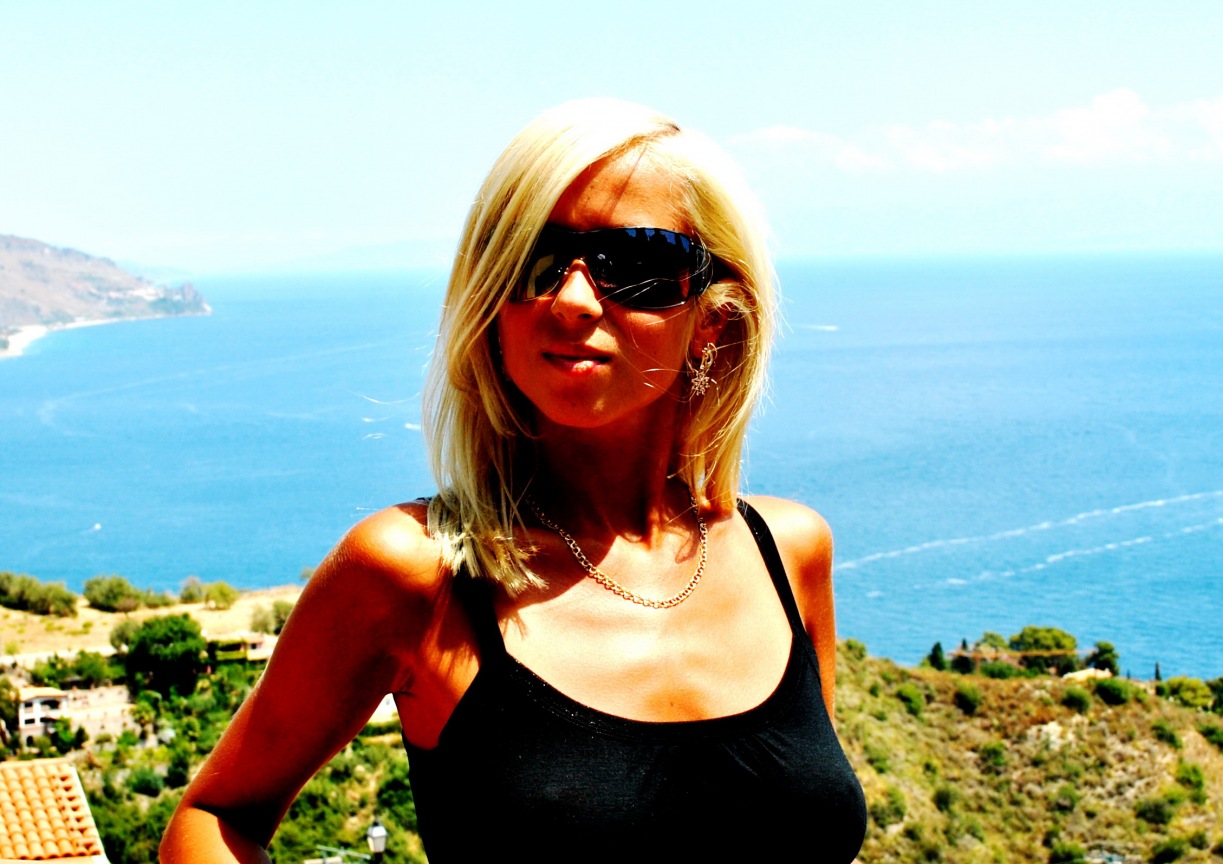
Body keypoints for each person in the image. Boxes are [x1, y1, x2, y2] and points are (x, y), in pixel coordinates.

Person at [161, 98, 866, 863]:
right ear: (490, 302)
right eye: (532, 259)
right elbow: (215, 818)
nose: (571, 300)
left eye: (635, 262)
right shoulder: (416, 573)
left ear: (713, 321)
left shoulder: (790, 552)